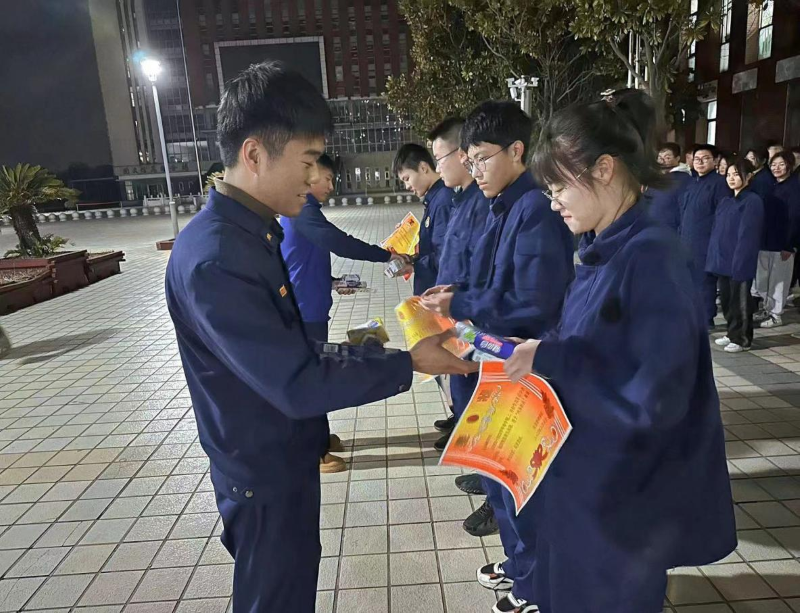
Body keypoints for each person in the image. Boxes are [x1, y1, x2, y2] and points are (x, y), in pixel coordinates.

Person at [164, 61, 475, 612]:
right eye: (306, 163)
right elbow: (296, 381)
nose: (313, 180)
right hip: (262, 469)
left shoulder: (248, 235)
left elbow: (289, 350)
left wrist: (368, 353)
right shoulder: (219, 257)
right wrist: (407, 364)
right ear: (254, 154)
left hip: (281, 454)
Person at [504, 88, 736, 613]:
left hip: (620, 503)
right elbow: (589, 344)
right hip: (583, 485)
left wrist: (551, 359)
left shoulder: (651, 257)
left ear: (604, 169)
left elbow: (653, 401)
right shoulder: (602, 248)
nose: (553, 201)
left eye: (559, 186)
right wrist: (538, 350)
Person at [421, 100, 575, 613]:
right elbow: (491, 278)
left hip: (518, 364)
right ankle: (520, 565)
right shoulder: (502, 203)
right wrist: (459, 297)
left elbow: (534, 302)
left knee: (519, 487)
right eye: (470, 159)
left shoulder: (532, 208)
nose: (476, 169)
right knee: (499, 479)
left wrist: (462, 303)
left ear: (517, 150)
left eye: (483, 157)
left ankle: (534, 587)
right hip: (493, 355)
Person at [279, 153, 411, 473]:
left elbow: (300, 261)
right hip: (304, 311)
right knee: (311, 378)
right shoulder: (303, 210)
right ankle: (315, 451)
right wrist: (386, 255)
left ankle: (319, 437)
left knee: (314, 371)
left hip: (310, 304)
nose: (331, 185)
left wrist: (333, 282)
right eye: (327, 178)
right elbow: (340, 243)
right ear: (310, 176)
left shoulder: (304, 210)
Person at [427, 117, 491, 453]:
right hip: (457, 314)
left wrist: (459, 301)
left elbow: (480, 266)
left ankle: (483, 474)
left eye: (439, 158)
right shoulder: (462, 199)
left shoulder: (482, 203)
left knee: (475, 392)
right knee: (464, 390)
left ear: (462, 154)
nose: (438, 167)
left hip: (471, 316)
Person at [707, 159, 764, 352]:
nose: (731, 178)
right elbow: (717, 231)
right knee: (727, 300)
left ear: (749, 177)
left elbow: (748, 235)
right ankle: (732, 333)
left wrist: (741, 261)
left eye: (736, 174)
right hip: (723, 259)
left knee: (740, 302)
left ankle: (742, 339)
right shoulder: (726, 201)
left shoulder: (752, 201)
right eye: (728, 175)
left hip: (739, 260)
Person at [679, 144, 732, 326]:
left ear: (715, 161)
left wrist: (717, 243)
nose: (700, 162)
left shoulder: (720, 184)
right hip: (686, 241)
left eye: (705, 158)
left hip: (706, 243)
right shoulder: (692, 182)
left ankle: (706, 318)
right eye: (697, 159)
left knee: (704, 283)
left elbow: (723, 216)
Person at [393, 143, 454, 296]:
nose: (407, 186)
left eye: (407, 178)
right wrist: (410, 243)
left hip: (437, 292)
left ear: (423, 168)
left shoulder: (443, 200)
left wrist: (415, 265)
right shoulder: (435, 199)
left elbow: (444, 255)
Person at [754, 151, 800, 327]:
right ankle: (767, 309)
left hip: (783, 243)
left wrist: (789, 245)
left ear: (789, 166)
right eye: (773, 164)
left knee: (779, 281)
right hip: (766, 240)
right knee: (764, 279)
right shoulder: (772, 186)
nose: (776, 168)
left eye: (781, 164)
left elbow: (794, 218)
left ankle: (776, 315)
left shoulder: (794, 188)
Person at [647, 142, 692, 231]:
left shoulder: (684, 178)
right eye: (660, 157)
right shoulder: (657, 177)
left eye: (667, 158)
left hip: (670, 227)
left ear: (677, 158)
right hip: (652, 226)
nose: (662, 161)